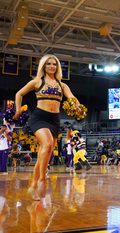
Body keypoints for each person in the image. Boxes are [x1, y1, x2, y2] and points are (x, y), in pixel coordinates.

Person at [13, 54, 82, 200]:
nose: (52, 66)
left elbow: (72, 97)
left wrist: (77, 106)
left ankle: (32, 186)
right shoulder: (37, 81)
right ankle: (42, 179)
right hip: (39, 117)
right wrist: (18, 110)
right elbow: (19, 93)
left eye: (54, 64)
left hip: (55, 120)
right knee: (47, 143)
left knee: (46, 151)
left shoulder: (62, 85)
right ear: (44, 66)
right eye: (49, 64)